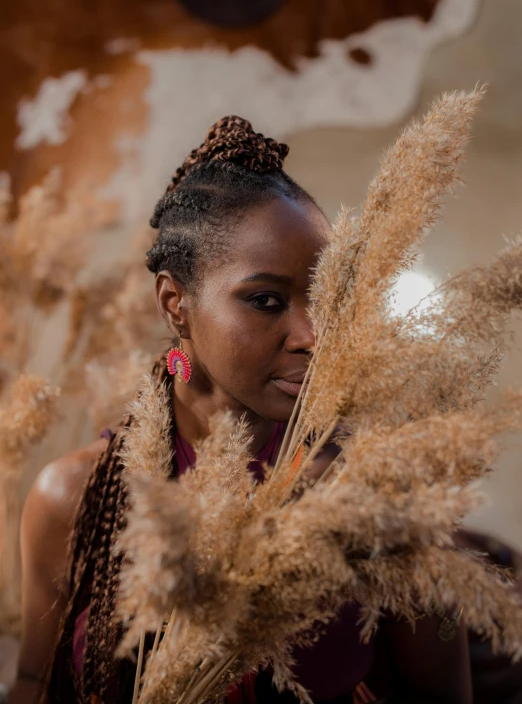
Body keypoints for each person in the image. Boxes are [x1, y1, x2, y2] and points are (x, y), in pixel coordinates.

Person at [10, 117, 472, 704]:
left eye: (328, 298)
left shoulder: (376, 496)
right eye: (265, 300)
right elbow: (34, 681)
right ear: (174, 303)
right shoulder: (76, 498)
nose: (314, 334)